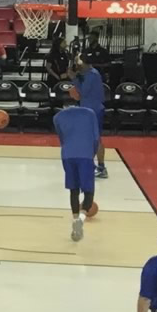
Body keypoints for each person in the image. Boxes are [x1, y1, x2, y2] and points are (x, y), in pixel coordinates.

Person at [54, 83, 101, 243]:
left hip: (67, 155)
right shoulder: (90, 114)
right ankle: (81, 218)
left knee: (73, 190)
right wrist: (92, 154)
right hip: (85, 155)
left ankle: (75, 219)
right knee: (88, 192)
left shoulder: (57, 117)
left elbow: (62, 139)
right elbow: (96, 138)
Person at [76, 57, 109, 179]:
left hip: (93, 111)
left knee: (96, 139)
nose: (76, 64)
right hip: (88, 109)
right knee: (90, 139)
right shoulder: (87, 74)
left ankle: (101, 167)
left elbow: (83, 92)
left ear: (84, 62)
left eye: (78, 61)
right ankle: (92, 165)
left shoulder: (91, 74)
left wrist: (75, 78)